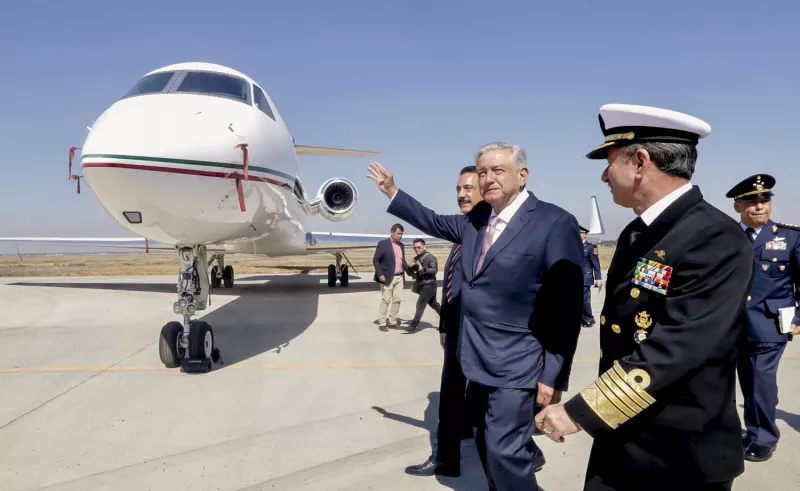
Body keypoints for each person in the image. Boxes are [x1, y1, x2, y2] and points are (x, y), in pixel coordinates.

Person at [536, 103, 754, 491]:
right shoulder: (637, 234)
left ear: (640, 161)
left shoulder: (714, 237)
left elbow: (676, 347)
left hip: (678, 454)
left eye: (609, 161)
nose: (604, 174)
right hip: (623, 437)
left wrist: (582, 412)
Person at [368, 142, 584, 491]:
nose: (488, 179)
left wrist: (554, 375)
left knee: (505, 452)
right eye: (482, 172)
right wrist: (393, 191)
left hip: (518, 366)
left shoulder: (553, 222)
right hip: (475, 362)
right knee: (486, 445)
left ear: (522, 174)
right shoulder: (476, 221)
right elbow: (432, 220)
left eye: (498, 170)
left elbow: (567, 307)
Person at [725, 173, 800, 462]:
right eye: (751, 202)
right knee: (731, 382)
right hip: (729, 325)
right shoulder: (726, 236)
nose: (759, 207)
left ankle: (763, 437)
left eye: (764, 200)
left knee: (760, 381)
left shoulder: (789, 237)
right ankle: (746, 429)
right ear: (738, 206)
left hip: (769, 324)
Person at [373, 223, 409, 331]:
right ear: (392, 232)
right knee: (386, 300)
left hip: (399, 277)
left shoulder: (401, 245)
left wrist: (411, 270)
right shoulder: (383, 244)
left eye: (401, 234)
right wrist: (380, 274)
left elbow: (402, 261)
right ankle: (382, 323)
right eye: (398, 234)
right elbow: (376, 260)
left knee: (397, 300)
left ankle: (393, 322)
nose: (400, 236)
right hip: (387, 277)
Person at [405, 238, 441, 331]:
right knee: (434, 304)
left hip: (430, 285)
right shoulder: (416, 259)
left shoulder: (430, 257)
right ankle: (449, 321)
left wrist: (422, 269)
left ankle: (413, 325)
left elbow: (434, 270)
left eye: (418, 247)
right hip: (423, 285)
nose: (417, 249)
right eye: (415, 248)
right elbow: (411, 274)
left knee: (420, 304)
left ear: (424, 246)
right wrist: (409, 267)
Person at [581, 225, 603, 327]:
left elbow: (595, 263)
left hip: (586, 276)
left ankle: (588, 318)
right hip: (575, 277)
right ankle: (581, 318)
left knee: (585, 300)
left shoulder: (590, 247)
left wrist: (598, 278)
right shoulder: (573, 246)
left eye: (581, 233)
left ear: (585, 235)